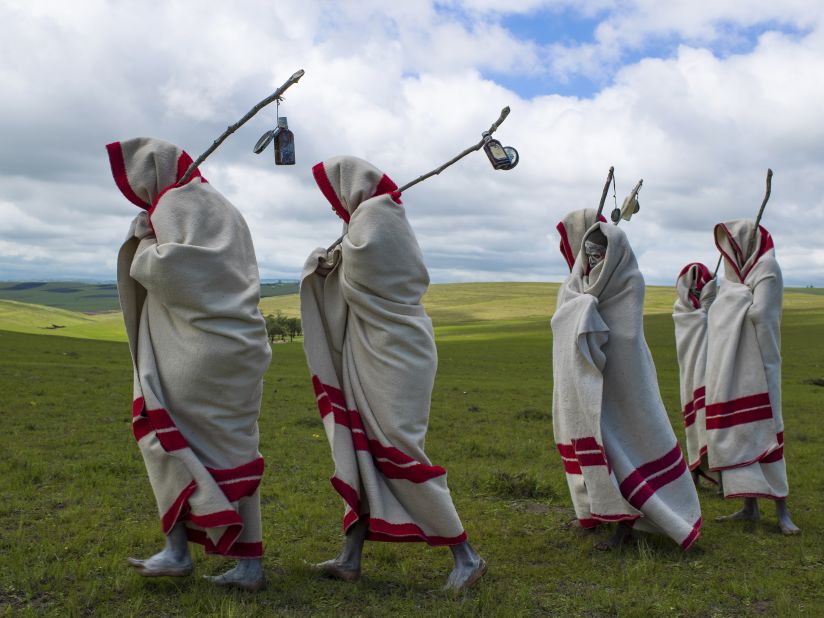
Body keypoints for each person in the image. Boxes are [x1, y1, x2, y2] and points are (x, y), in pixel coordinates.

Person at [300, 156, 486, 591]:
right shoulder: (366, 220)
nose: (333, 208)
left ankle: (467, 555)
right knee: (360, 446)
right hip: (372, 349)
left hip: (395, 353)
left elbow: (366, 274)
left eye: (333, 196)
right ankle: (350, 557)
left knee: (399, 450)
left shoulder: (379, 217)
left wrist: (329, 260)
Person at [108, 137, 272, 590]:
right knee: (237, 449)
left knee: (165, 435)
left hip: (197, 353)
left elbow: (173, 270)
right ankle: (249, 565)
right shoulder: (224, 207)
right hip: (243, 347)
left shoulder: (176, 203)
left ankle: (178, 551)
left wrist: (143, 242)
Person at [552, 218, 702, 550]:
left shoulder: (628, 282)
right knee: (602, 448)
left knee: (626, 446)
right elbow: (564, 322)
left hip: (623, 384)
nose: (593, 260)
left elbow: (626, 336)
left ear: (614, 253)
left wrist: (586, 313)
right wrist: (581, 310)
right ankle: (606, 514)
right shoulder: (577, 286)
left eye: (599, 253)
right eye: (588, 253)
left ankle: (629, 525)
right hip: (588, 384)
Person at [705, 220, 800, 534]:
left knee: (768, 435)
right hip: (733, 371)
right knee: (740, 433)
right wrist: (735, 300)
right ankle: (749, 506)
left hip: (762, 365)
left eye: (735, 244)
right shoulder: (734, 276)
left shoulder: (768, 268)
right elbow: (727, 311)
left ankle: (782, 509)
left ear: (745, 242)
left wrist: (730, 303)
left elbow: (762, 314)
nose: (732, 251)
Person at [673, 262, 719, 486]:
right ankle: (695, 468)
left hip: (712, 373)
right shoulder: (681, 310)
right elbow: (686, 339)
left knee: (713, 423)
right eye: (693, 291)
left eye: (701, 291)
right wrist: (702, 315)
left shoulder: (715, 308)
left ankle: (719, 474)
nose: (697, 295)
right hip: (689, 373)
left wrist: (708, 308)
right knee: (693, 421)